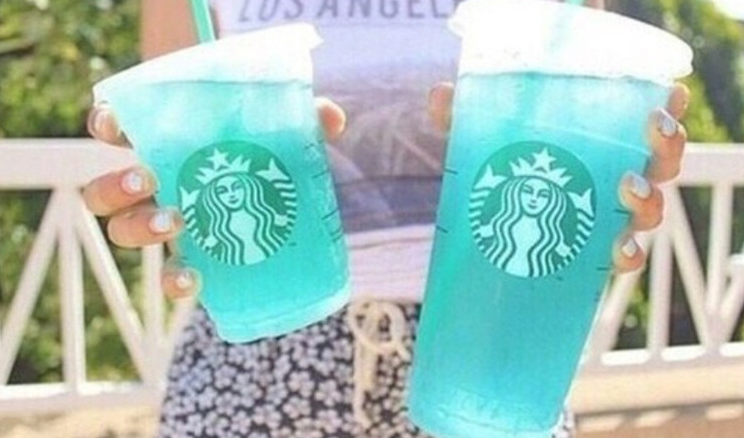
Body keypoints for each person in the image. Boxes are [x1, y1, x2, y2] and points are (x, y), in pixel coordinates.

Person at [84, 0, 690, 436]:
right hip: (255, 364)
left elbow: (595, 115)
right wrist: (148, 198)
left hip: (494, 352)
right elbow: (176, 144)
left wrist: (620, 180)